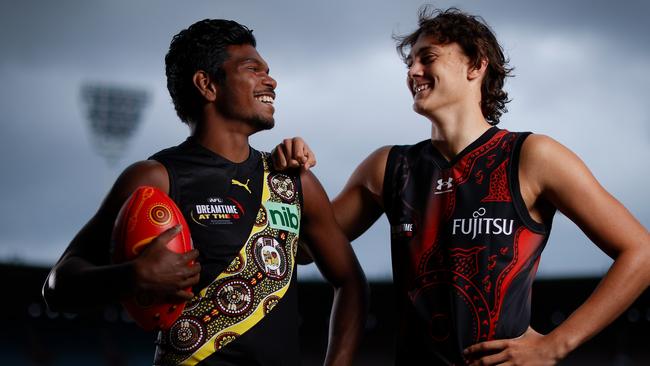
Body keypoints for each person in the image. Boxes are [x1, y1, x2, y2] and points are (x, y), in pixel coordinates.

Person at [273, 7, 650, 366]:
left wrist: (556, 344)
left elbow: (641, 252)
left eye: (427, 58)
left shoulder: (532, 156)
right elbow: (306, 251)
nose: (413, 72)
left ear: (476, 64)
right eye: (410, 63)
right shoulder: (387, 166)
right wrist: (290, 182)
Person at [42, 19, 367, 366]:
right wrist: (131, 275)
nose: (270, 80)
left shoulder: (292, 181)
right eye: (252, 69)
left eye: (268, 70)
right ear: (207, 85)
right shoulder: (156, 179)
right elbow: (56, 287)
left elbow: (350, 282)